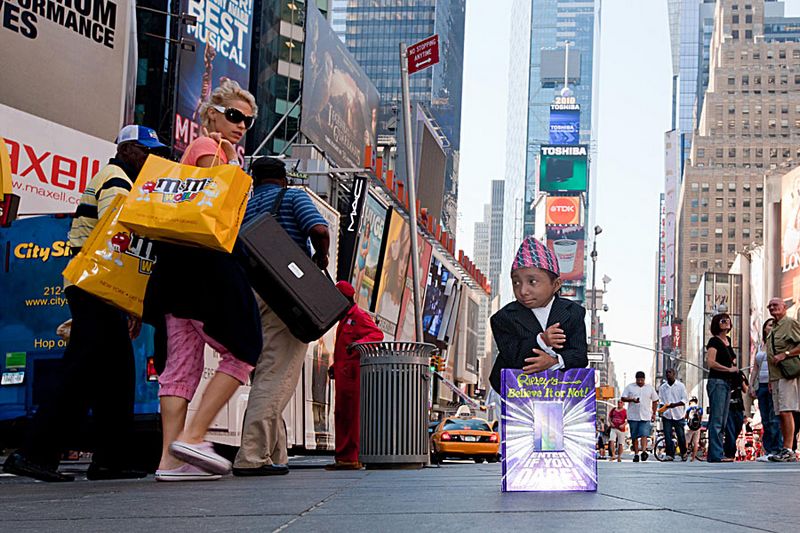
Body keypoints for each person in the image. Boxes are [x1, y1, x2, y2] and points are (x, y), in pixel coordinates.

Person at [3, 126, 169, 482]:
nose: (151, 158)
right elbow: (119, 236)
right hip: (95, 284)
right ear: (126, 150)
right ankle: (33, 454)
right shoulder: (117, 180)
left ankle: (110, 460)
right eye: (146, 151)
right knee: (82, 371)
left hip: (96, 285)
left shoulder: (117, 178)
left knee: (116, 375)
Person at [147, 80, 263, 481]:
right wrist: (228, 158)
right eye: (234, 116)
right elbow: (215, 199)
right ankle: (194, 436)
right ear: (212, 113)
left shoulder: (197, 150)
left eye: (247, 121)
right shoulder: (210, 148)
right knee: (245, 346)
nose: (240, 125)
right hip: (205, 264)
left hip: (175, 267)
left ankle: (169, 460)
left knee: (181, 364)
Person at [232, 156, 331, 476]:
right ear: (284, 179)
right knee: (276, 376)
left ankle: (276, 454)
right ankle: (251, 456)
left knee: (265, 373)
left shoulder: (244, 206)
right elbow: (318, 229)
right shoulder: (292, 197)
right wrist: (321, 257)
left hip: (248, 296)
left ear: (253, 180)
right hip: (284, 296)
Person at [489, 236, 588, 393]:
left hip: (560, 393)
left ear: (556, 284)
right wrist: (542, 340)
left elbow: (580, 356)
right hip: (514, 391)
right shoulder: (504, 318)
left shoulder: (573, 312)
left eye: (532, 282)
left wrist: (554, 361)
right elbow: (513, 356)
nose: (523, 291)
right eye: (516, 282)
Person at [325, 281, 384, 471]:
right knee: (342, 416)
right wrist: (336, 366)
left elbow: (376, 335)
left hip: (353, 377)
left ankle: (351, 458)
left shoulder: (358, 316)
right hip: (344, 376)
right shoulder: (345, 318)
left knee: (351, 417)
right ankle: (343, 458)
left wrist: (359, 344)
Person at [765, 297, 800, 462]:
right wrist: (771, 380)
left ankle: (788, 449)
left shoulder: (790, 323)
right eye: (770, 306)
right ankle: (785, 448)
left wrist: (785, 354)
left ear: (784, 306)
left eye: (775, 305)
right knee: (780, 413)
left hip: (787, 375)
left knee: (786, 410)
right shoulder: (774, 328)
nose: (772, 308)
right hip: (776, 377)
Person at [705, 312, 738, 463]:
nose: (727, 322)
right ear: (717, 324)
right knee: (717, 420)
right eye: (723, 320)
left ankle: (718, 452)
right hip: (717, 382)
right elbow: (711, 362)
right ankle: (715, 454)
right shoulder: (714, 341)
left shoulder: (728, 341)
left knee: (723, 420)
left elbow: (732, 361)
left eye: (728, 320)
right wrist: (729, 369)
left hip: (727, 383)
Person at [750, 318, 783, 461]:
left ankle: (777, 449)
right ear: (764, 328)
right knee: (765, 419)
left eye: (774, 325)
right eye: (770, 325)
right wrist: (751, 384)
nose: (772, 327)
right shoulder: (760, 346)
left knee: (774, 418)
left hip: (774, 383)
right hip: (762, 385)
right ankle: (768, 450)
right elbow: (755, 367)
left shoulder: (778, 344)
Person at [621, 371, 659, 462]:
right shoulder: (630, 387)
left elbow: (655, 400)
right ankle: (636, 454)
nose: (640, 382)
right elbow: (623, 398)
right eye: (638, 380)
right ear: (636, 379)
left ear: (644, 379)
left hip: (645, 415)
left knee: (644, 434)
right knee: (634, 436)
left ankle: (644, 451)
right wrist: (632, 399)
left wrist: (654, 413)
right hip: (633, 416)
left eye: (642, 380)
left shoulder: (649, 388)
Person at [658, 368, 689, 461]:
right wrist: (661, 410)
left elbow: (684, 400)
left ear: (674, 374)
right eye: (666, 373)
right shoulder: (662, 387)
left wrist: (674, 405)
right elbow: (661, 401)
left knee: (681, 436)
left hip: (678, 415)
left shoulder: (680, 386)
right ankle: (670, 454)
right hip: (667, 415)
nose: (668, 374)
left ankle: (683, 452)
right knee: (667, 436)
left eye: (670, 372)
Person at [724, 370, 748, 460]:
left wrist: (741, 380)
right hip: (729, 407)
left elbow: (745, 389)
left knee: (737, 428)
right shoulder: (724, 372)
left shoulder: (739, 373)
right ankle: (730, 453)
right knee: (730, 430)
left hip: (738, 406)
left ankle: (727, 448)